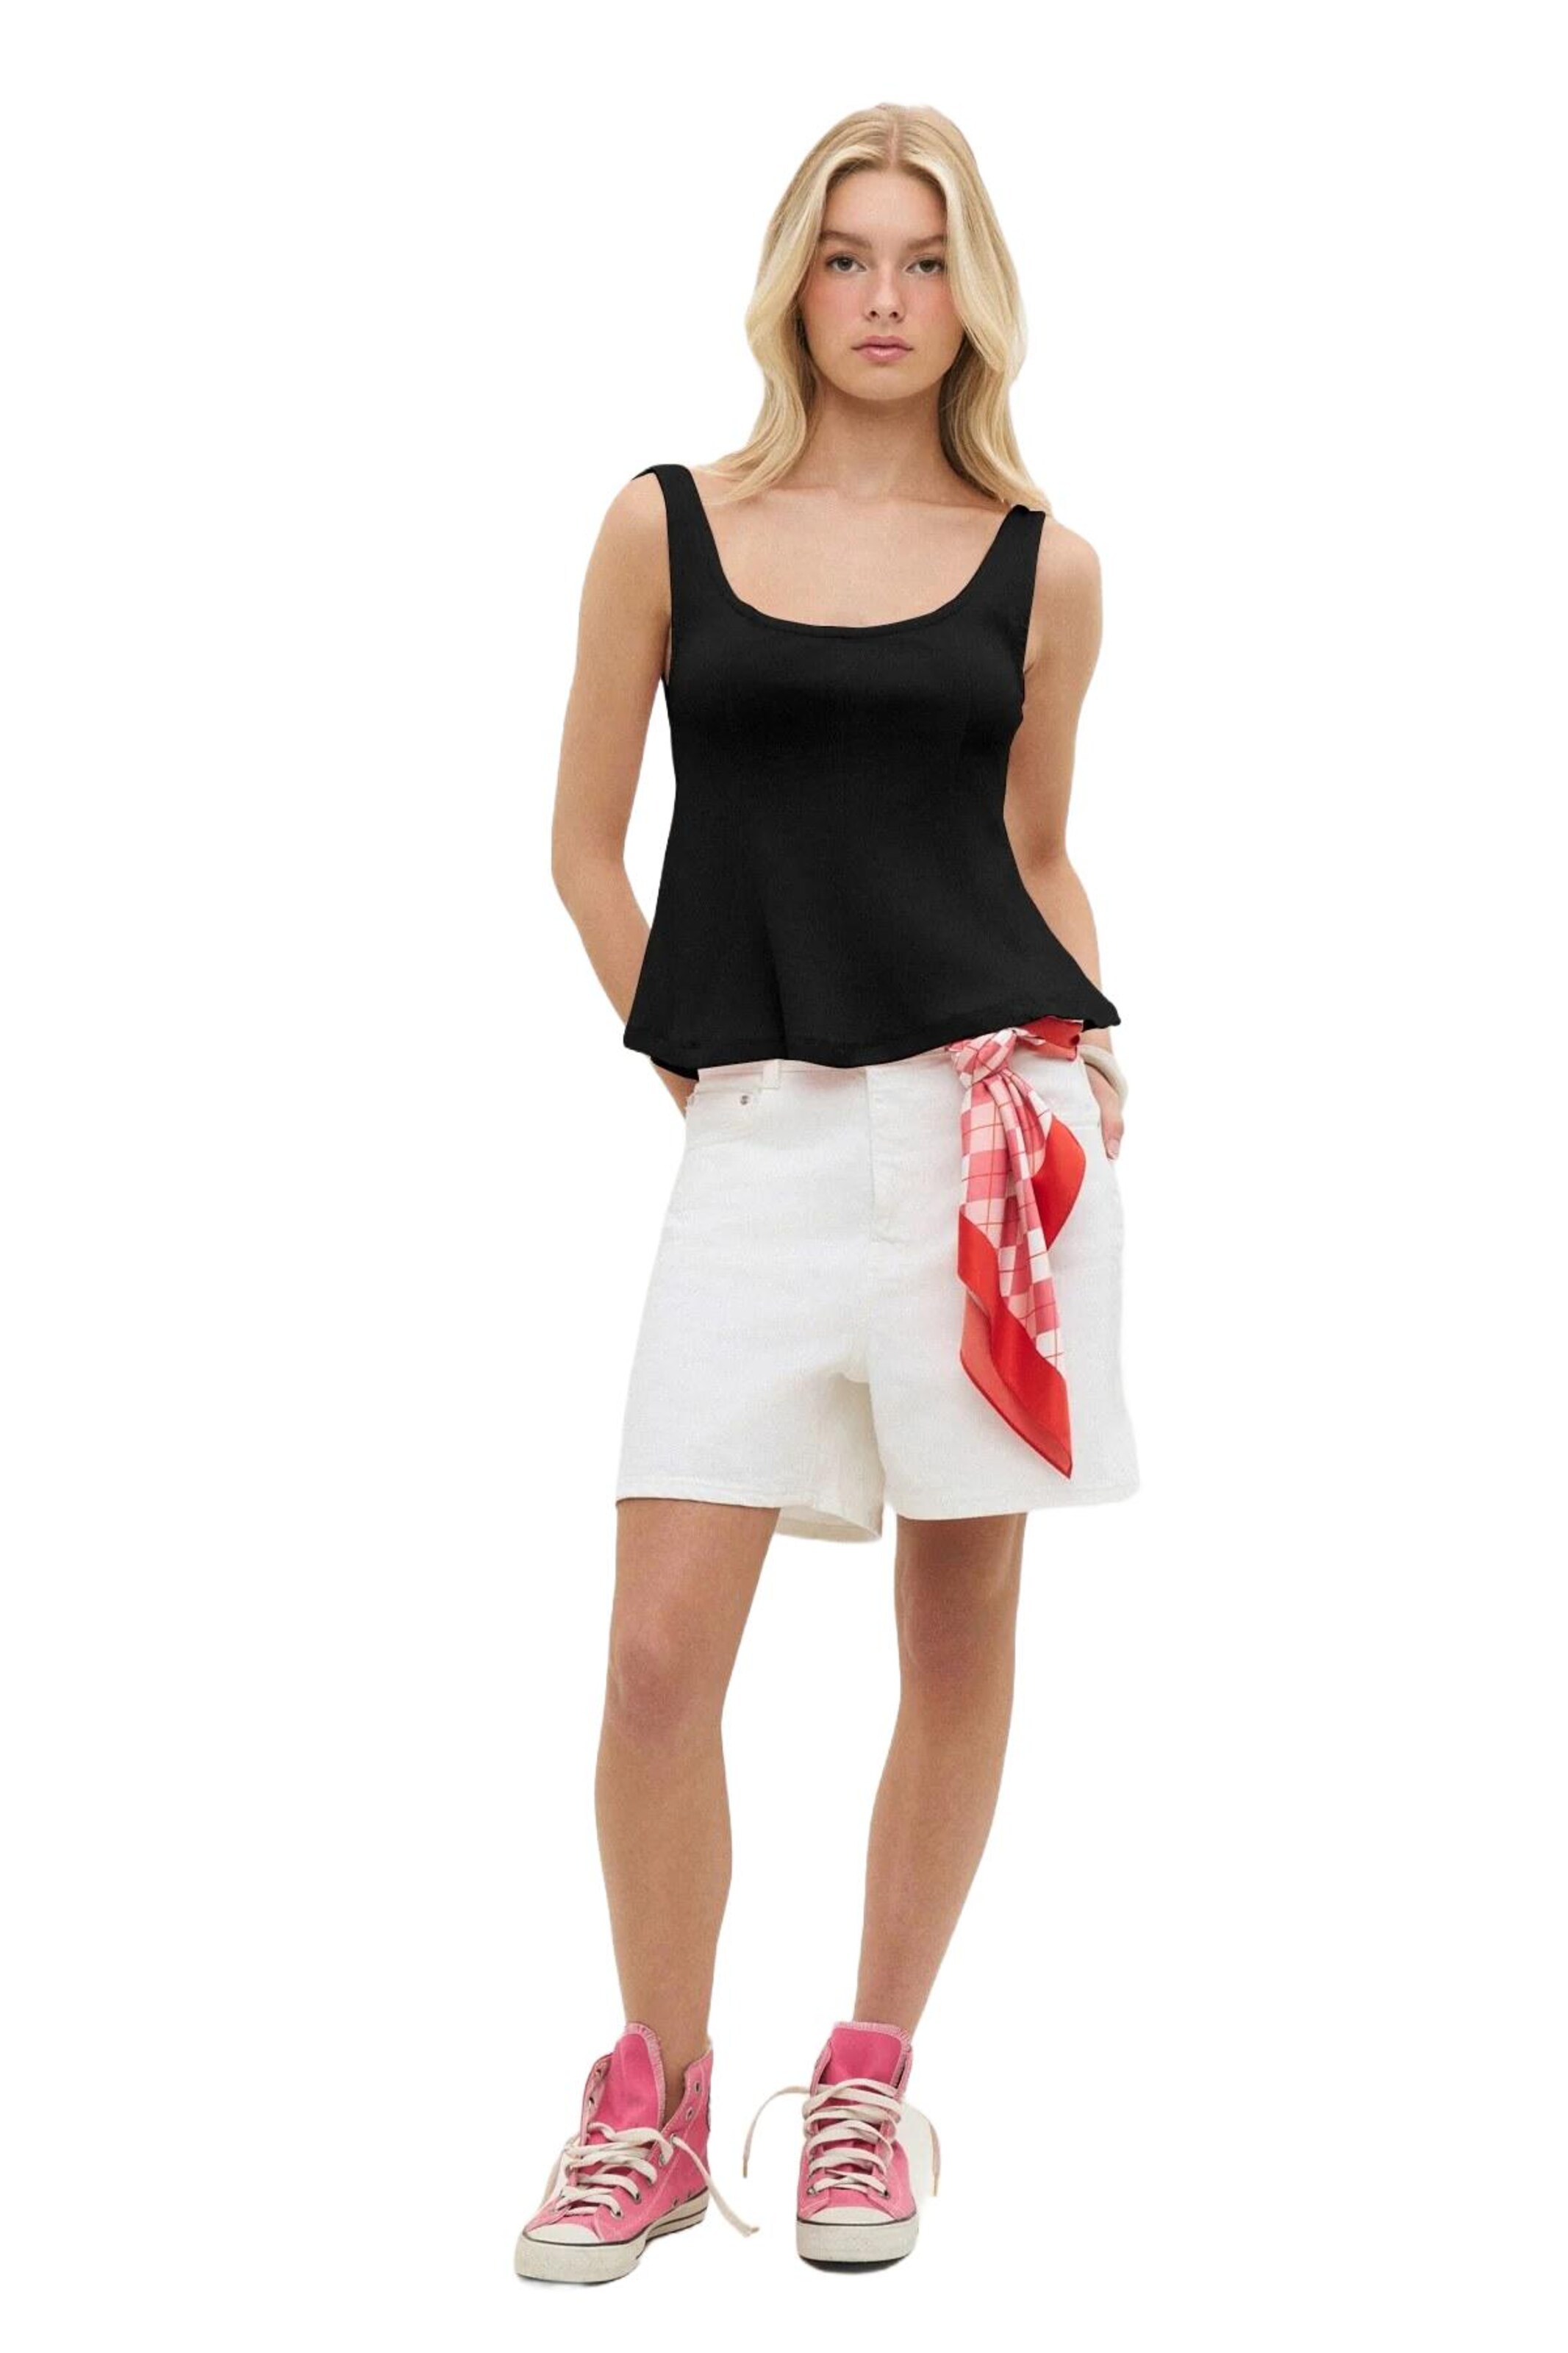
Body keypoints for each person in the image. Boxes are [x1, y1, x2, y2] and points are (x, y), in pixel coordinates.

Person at [516, 101, 1138, 2287]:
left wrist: (1095, 1073)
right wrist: (691, 1059)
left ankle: (867, 2082)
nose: (886, 297)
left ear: (976, 296)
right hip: (763, 1142)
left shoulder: (1044, 563)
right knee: (654, 1659)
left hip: (991, 1140)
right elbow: (583, 846)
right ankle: (653, 2105)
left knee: (957, 1633)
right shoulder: (666, 524)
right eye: (851, 255)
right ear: (795, 281)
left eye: (927, 259)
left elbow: (1035, 851)